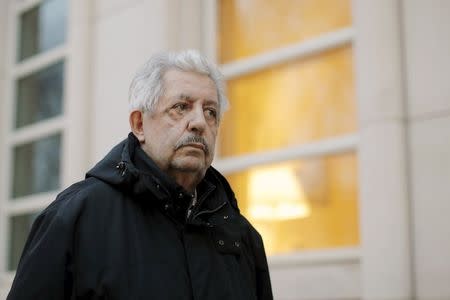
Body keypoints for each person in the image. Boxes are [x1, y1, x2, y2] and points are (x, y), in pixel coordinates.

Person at [7, 50, 273, 300]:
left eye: (210, 112)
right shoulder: (75, 218)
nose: (199, 122)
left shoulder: (242, 237)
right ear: (139, 124)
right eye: (181, 107)